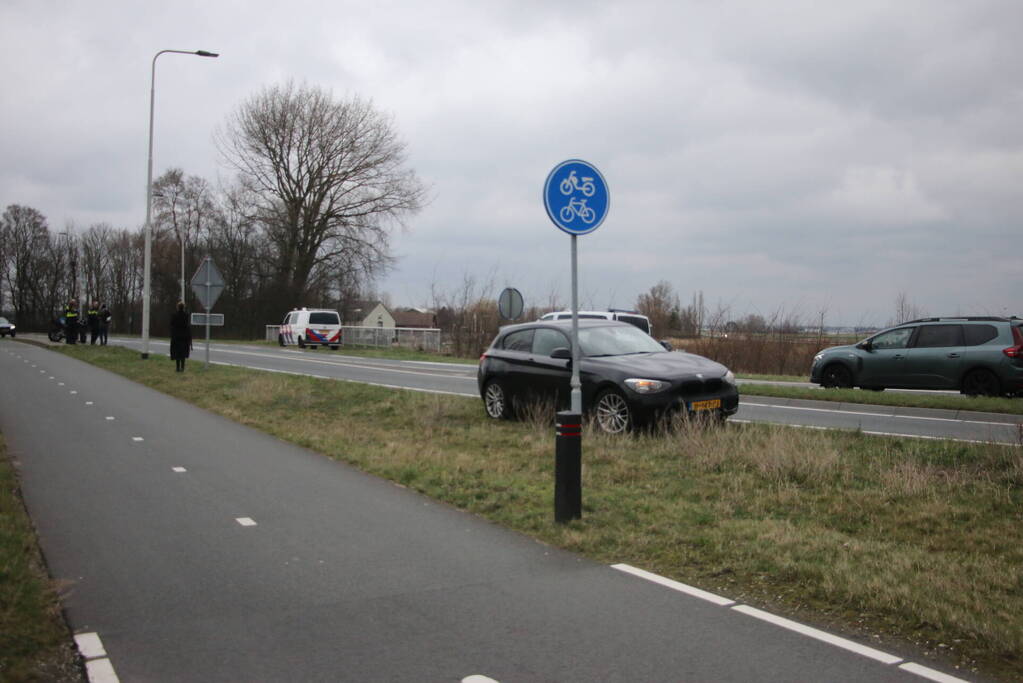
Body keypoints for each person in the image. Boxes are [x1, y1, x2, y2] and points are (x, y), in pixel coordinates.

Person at [169, 301, 192, 372]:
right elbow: (188, 326)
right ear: (184, 307)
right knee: (183, 353)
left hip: (176, 337)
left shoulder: (174, 315)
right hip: (184, 337)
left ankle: (177, 368)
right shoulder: (186, 315)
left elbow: (171, 325)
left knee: (177, 353)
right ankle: (182, 367)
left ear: (178, 307)